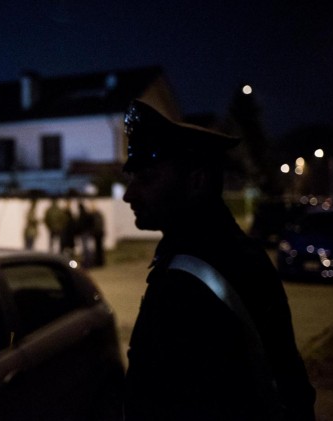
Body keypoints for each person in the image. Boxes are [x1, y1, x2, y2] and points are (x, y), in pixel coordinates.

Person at [120, 99, 315, 420]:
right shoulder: (229, 252)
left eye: (147, 178)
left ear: (197, 181)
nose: (130, 194)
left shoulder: (189, 279)